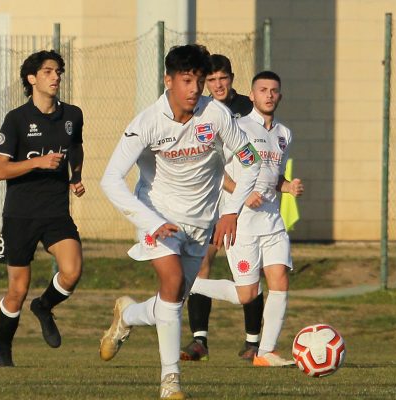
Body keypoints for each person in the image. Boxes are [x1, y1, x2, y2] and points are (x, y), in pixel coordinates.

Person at [99, 44, 260, 399]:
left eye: (199, 81)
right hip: (160, 218)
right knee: (171, 283)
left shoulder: (215, 115)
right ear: (168, 80)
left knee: (170, 304)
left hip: (202, 224)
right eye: (187, 80)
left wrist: (230, 210)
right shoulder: (146, 123)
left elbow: (251, 160)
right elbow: (110, 179)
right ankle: (170, 382)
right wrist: (150, 221)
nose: (194, 89)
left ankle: (127, 315)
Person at [189, 70, 304, 367]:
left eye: (274, 90)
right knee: (246, 294)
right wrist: (242, 192)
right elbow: (217, 171)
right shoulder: (237, 127)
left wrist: (287, 186)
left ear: (280, 96)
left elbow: (273, 176)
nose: (269, 94)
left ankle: (265, 352)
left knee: (279, 281)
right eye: (263, 89)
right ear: (251, 95)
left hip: (272, 221)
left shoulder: (284, 134)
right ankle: (188, 283)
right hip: (242, 222)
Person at [0, 50, 85, 367]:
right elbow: (0, 170)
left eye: (58, 71)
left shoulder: (72, 115)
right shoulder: (16, 119)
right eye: (48, 71)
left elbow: (76, 148)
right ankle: (3, 351)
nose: (56, 76)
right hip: (20, 215)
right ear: (32, 79)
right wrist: (37, 163)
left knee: (72, 271)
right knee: (17, 289)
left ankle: (44, 306)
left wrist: (76, 177)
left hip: (56, 212)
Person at [181, 54, 264, 362]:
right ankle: (199, 340)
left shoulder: (248, 109)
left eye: (222, 79)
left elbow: (258, 154)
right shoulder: (199, 110)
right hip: (212, 198)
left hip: (246, 198)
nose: (216, 85)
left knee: (249, 267)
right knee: (201, 261)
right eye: (211, 80)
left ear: (232, 78)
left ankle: (252, 341)